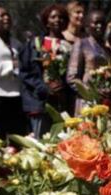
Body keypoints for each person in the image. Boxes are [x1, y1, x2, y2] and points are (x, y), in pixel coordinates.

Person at [19, 4, 71, 138]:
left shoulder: (69, 46)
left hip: (61, 102)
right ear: (46, 21)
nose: (57, 20)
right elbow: (26, 72)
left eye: (61, 17)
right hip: (40, 101)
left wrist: (62, 86)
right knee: (40, 142)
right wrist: (44, 87)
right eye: (53, 17)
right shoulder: (35, 44)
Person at [0, 7, 26, 139]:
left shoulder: (16, 43)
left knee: (18, 139)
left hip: (16, 96)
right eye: (2, 15)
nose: (6, 18)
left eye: (8, 15)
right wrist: (9, 66)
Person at [67, 10, 111, 114]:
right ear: (87, 24)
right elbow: (72, 77)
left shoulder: (108, 50)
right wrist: (91, 92)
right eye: (96, 23)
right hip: (86, 101)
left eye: (103, 23)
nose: (100, 26)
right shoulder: (81, 43)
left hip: (105, 101)